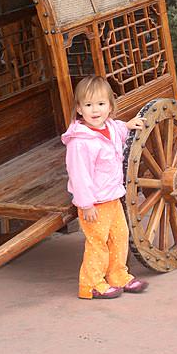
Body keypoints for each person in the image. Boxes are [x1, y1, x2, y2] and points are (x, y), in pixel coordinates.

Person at [61, 75, 149, 299]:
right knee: (97, 244)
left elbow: (117, 130)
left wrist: (128, 126)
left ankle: (118, 275)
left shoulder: (109, 127)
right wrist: (86, 204)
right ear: (79, 109)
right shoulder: (80, 142)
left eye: (101, 104)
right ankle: (91, 284)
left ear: (110, 106)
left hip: (112, 198)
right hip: (95, 204)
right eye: (88, 105)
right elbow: (79, 176)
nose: (95, 110)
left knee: (120, 237)